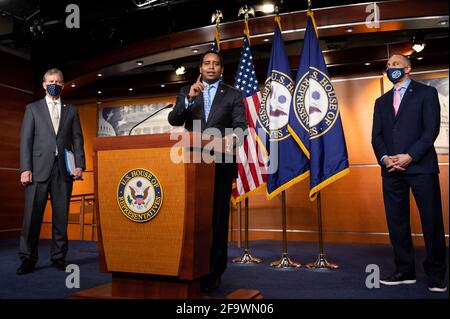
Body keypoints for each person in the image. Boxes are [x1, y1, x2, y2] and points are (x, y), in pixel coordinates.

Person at [168, 50, 247, 292]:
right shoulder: (188, 92)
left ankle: (214, 272)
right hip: (193, 168)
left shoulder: (233, 94)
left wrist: (232, 139)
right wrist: (189, 100)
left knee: (217, 222)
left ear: (221, 69)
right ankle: (193, 268)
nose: (211, 67)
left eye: (216, 64)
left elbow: (241, 127)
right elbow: (174, 120)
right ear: (200, 68)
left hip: (221, 166)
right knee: (194, 222)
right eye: (206, 64)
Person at [371, 54, 447, 292]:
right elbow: (377, 136)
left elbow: (430, 131)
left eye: (395, 64)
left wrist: (409, 156)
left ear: (408, 68)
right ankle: (404, 271)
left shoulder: (426, 93)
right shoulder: (381, 102)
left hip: (421, 167)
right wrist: (385, 159)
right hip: (391, 170)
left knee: (431, 221)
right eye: (387, 65)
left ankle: (436, 275)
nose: (390, 67)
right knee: (397, 223)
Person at [17, 68, 86, 275]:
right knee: (32, 217)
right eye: (50, 81)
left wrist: (79, 164)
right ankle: (28, 258)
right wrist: (25, 168)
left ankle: (58, 257)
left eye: (58, 81)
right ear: (44, 85)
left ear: (62, 85)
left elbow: (77, 140)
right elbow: (25, 141)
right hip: (37, 170)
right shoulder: (33, 109)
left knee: (61, 217)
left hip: (63, 171)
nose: (54, 84)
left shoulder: (71, 110)